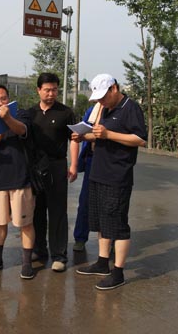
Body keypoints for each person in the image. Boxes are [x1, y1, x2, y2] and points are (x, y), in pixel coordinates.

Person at [74, 74, 147, 290]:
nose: (100, 102)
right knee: (100, 220)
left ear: (114, 88)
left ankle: (118, 272)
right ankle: (102, 262)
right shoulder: (105, 108)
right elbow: (100, 135)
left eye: (103, 96)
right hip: (98, 172)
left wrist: (109, 134)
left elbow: (140, 139)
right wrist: (83, 136)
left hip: (117, 175)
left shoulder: (130, 107)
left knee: (117, 223)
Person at [0, 84, 36, 279]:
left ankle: (27, 262)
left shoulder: (21, 114)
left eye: (3, 98)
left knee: (25, 223)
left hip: (21, 178)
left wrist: (7, 119)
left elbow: (22, 130)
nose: (0, 102)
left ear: (9, 97)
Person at [29, 72, 79, 272]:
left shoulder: (65, 112)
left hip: (57, 166)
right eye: (47, 89)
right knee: (37, 211)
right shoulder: (30, 113)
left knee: (57, 211)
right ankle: (39, 249)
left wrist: (74, 165)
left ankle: (59, 255)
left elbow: (74, 139)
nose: (51, 93)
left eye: (55, 90)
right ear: (38, 90)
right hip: (35, 168)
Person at [72, 103, 101, 252]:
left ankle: (113, 239)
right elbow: (81, 131)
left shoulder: (121, 110)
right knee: (85, 201)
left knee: (111, 203)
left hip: (111, 161)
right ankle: (80, 238)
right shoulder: (93, 110)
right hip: (91, 158)